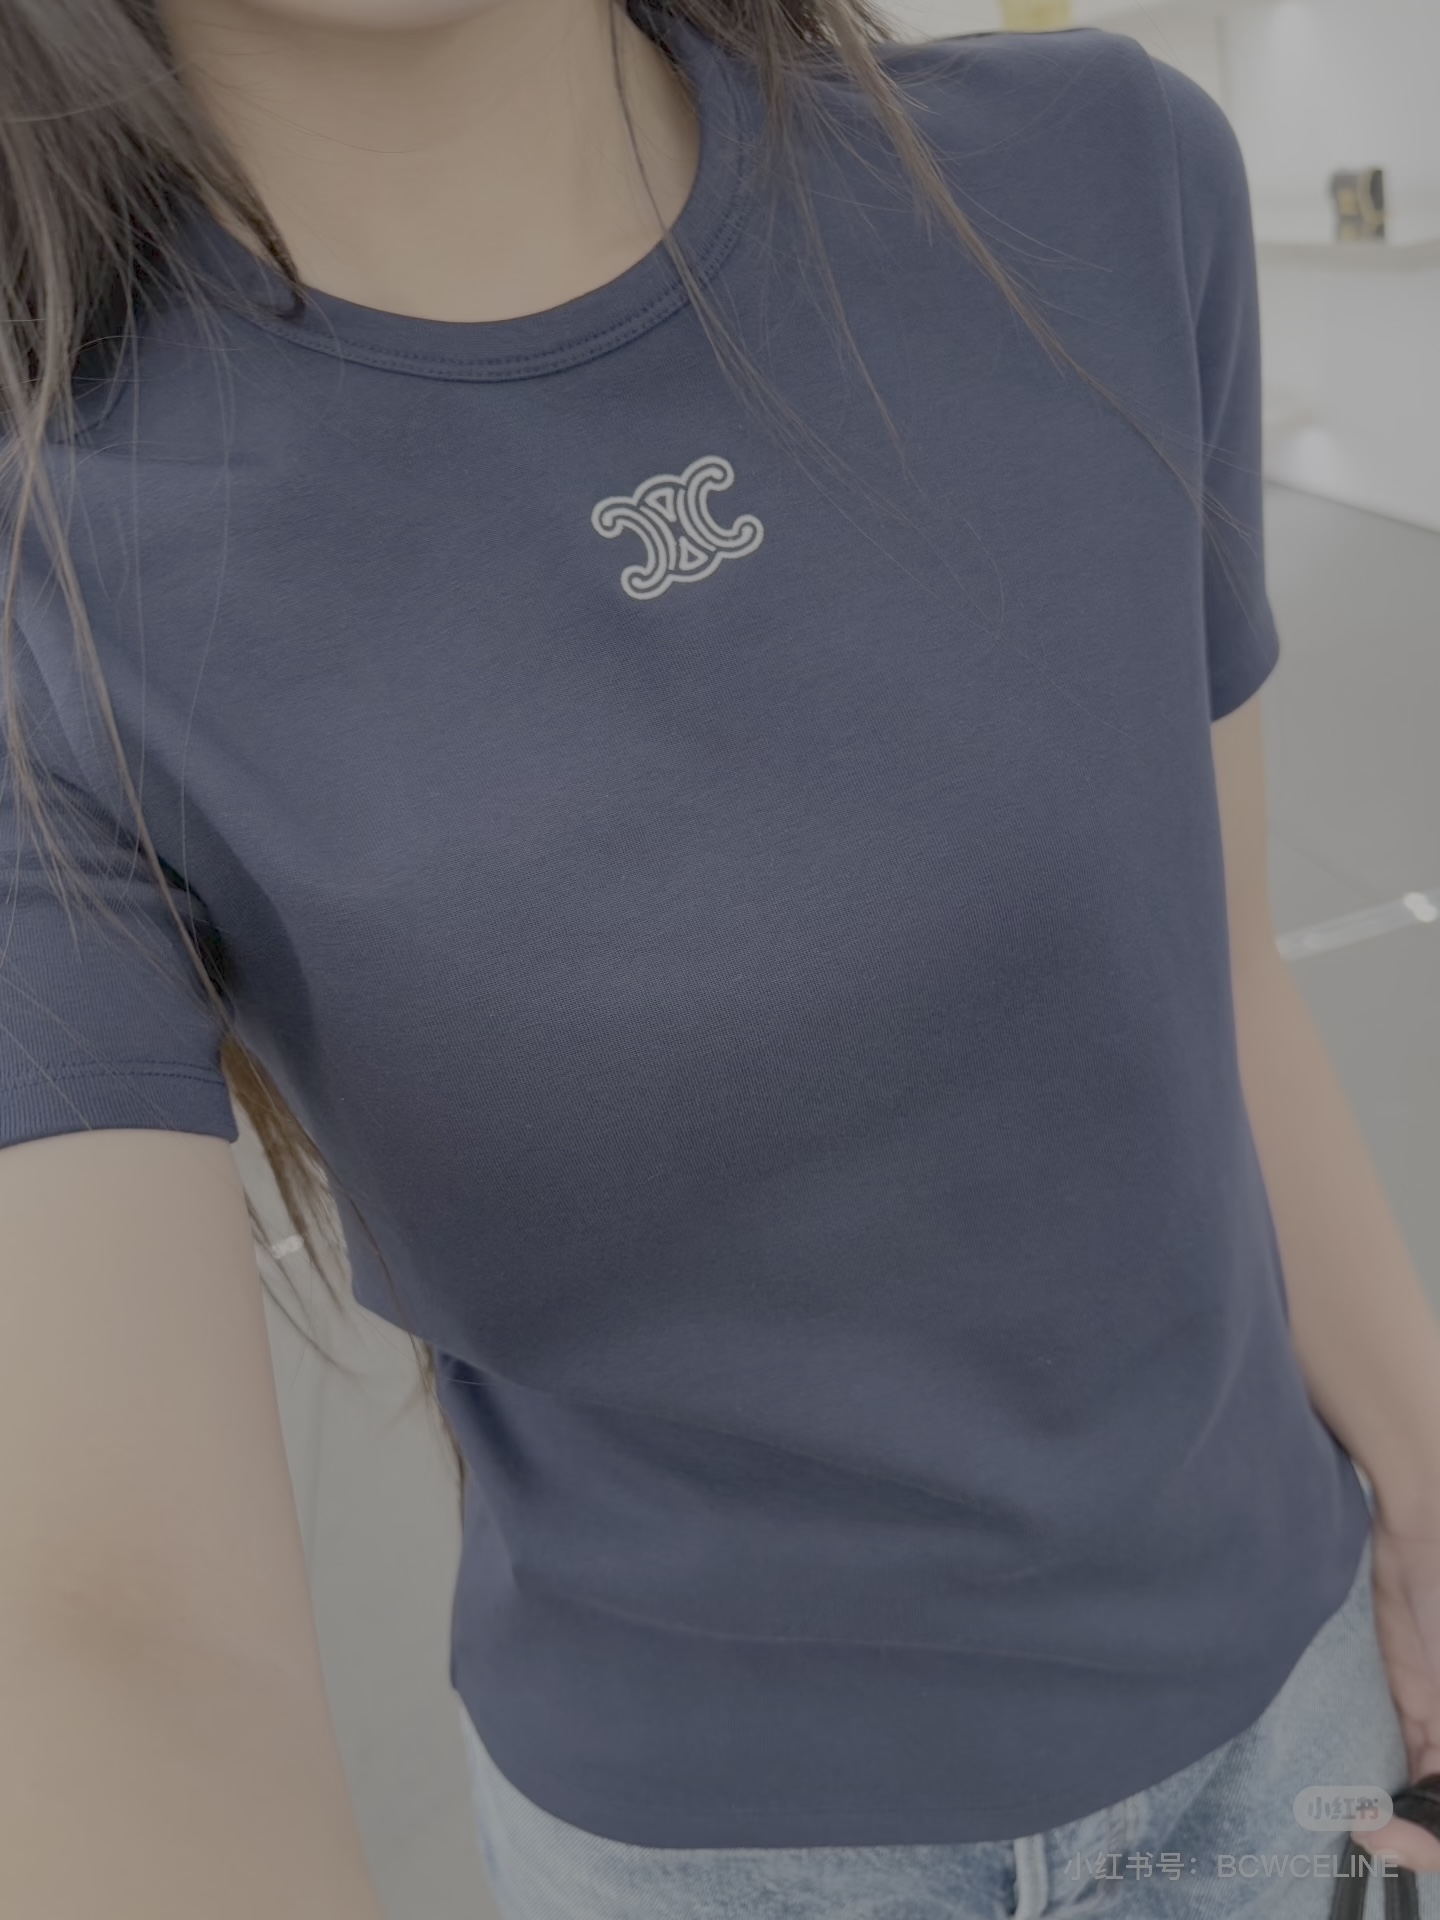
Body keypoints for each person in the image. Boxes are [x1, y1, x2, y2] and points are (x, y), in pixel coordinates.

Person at [2, 2, 1439, 1916]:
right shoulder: (55, 561)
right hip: (713, 1858)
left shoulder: (1102, 176)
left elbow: (1222, 969)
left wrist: (1426, 1467)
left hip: (1292, 1717)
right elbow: (115, 1626)